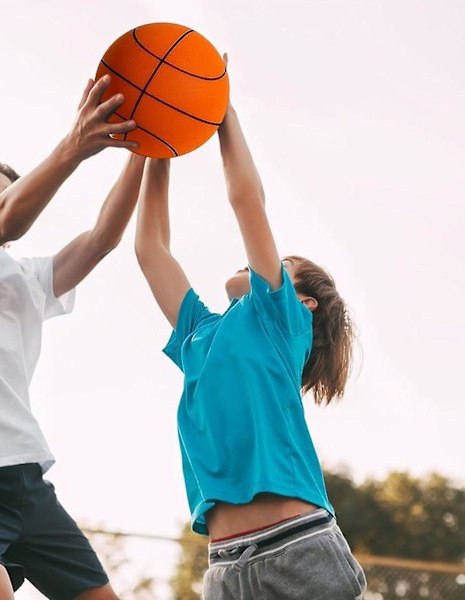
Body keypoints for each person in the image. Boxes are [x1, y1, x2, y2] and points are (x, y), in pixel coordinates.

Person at [134, 59, 367, 599]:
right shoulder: (199, 334)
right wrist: (159, 147)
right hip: (224, 569)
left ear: (303, 303)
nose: (258, 262)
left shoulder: (278, 322)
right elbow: (150, 250)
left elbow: (245, 199)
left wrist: (220, 109)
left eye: (283, 263)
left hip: (297, 550)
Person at [0, 75, 144, 600]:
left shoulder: (29, 278)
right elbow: (8, 221)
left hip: (24, 478)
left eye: (6, 189)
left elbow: (104, 237)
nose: (0, 198)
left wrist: (144, 150)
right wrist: (76, 145)